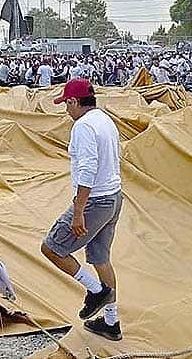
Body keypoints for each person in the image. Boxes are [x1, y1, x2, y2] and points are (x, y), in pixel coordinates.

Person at [41, 79, 124, 341]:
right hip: (113, 197)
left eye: (66, 103)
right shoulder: (105, 119)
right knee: (101, 259)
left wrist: (78, 211)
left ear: (75, 102)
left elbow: (87, 169)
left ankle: (96, 291)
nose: (66, 110)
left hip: (94, 201)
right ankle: (111, 322)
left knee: (52, 247)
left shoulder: (83, 127)